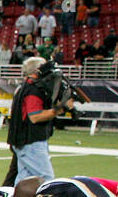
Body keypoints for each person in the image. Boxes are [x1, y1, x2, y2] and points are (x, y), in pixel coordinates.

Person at [5, 56, 71, 184]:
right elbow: (35, 117)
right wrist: (59, 110)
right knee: (46, 179)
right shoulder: (33, 90)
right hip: (31, 141)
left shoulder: (25, 87)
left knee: (23, 180)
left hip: (24, 140)